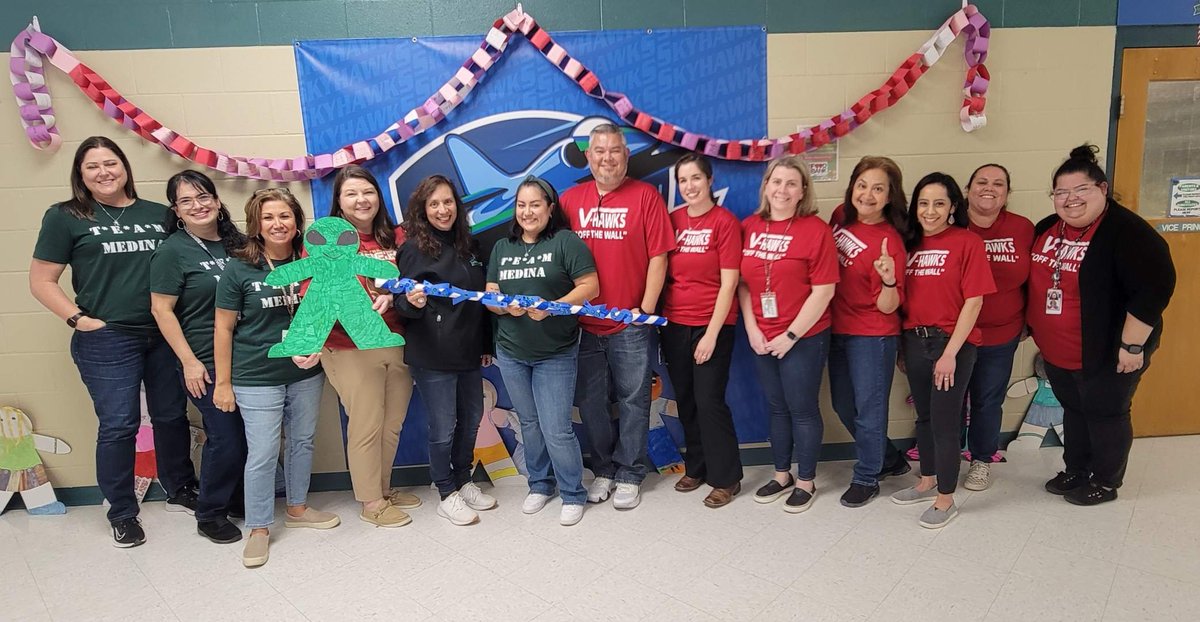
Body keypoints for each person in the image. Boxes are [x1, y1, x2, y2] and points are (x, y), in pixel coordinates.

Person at [29, 136, 198, 548]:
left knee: (172, 415)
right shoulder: (66, 216)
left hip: (163, 333)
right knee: (120, 424)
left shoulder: (160, 215)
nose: (104, 172)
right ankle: (122, 511)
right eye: (93, 166)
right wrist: (79, 319)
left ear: (125, 167)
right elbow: (41, 280)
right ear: (81, 174)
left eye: (111, 163)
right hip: (109, 338)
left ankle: (181, 489)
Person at [1029, 145, 1174, 506]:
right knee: (1075, 410)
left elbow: (1154, 288)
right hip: (1060, 349)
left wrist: (1133, 345)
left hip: (1110, 348)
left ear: (1103, 189)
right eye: (1061, 192)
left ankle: (1106, 481)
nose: (1070, 199)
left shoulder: (1126, 231)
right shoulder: (1047, 228)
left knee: (1106, 413)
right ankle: (1077, 469)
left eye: (1081, 190)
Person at [214, 188, 338, 568]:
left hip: (305, 372)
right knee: (264, 452)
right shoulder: (239, 267)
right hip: (256, 375)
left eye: (284, 216)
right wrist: (222, 382)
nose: (277, 224)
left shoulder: (312, 261)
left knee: (302, 441)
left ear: (297, 221)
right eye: (268, 217)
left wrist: (316, 344)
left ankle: (298, 508)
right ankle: (259, 527)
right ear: (256, 224)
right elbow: (223, 329)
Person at [561, 122, 676, 510]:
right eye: (600, 151)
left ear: (626, 156)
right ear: (588, 156)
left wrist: (644, 310)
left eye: (615, 151)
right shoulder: (570, 200)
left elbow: (659, 256)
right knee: (591, 403)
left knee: (633, 399)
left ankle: (630, 473)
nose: (607, 158)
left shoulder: (645, 197)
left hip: (630, 323)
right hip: (583, 324)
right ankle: (605, 470)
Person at [487, 176, 599, 526]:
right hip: (511, 351)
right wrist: (504, 306)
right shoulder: (502, 247)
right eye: (521, 204)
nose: (527, 211)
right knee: (530, 424)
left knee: (556, 427)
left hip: (556, 351)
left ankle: (572, 491)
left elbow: (590, 286)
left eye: (535, 204)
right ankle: (539, 484)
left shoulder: (566, 242)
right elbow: (490, 294)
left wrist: (555, 306)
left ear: (550, 208)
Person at [315, 165, 419, 529]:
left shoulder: (397, 237)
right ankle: (370, 502)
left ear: (379, 197)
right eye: (351, 194)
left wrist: (398, 296)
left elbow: (413, 281)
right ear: (339, 203)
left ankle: (383, 489)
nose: (361, 200)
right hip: (349, 347)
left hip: (396, 340)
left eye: (368, 192)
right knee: (366, 425)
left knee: (392, 425)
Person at [149, 170, 248, 544]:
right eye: (186, 201)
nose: (198, 205)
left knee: (246, 435)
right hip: (203, 360)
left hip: (246, 357)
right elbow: (162, 310)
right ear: (176, 210)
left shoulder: (238, 244)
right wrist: (189, 362)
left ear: (218, 202)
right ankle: (209, 513)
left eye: (204, 196)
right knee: (226, 437)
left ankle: (237, 498)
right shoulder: (173, 250)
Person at [892, 173, 995, 529]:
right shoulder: (909, 244)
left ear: (953, 207)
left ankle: (945, 498)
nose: (930, 211)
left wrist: (951, 352)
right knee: (923, 417)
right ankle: (927, 480)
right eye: (923, 203)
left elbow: (974, 301)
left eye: (939, 203)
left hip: (951, 344)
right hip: (914, 340)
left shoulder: (967, 243)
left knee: (945, 423)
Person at [739, 156, 839, 513]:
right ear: (766, 186)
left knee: (802, 409)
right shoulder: (749, 226)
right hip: (762, 336)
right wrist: (752, 328)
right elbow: (745, 285)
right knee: (777, 408)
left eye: (791, 184)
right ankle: (781, 474)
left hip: (804, 338)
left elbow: (824, 290)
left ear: (802, 192)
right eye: (776, 182)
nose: (782, 189)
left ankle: (806, 481)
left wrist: (792, 335)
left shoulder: (816, 230)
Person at [395, 175, 495, 526]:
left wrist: (485, 345)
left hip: (468, 351)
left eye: (448, 202)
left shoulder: (470, 245)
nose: (442, 210)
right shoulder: (412, 249)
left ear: (458, 205)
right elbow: (401, 305)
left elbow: (480, 302)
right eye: (434, 204)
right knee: (443, 427)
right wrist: (412, 302)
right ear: (423, 210)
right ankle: (445, 491)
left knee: (470, 421)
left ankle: (464, 480)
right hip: (432, 354)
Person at [659, 154, 744, 508]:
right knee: (688, 400)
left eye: (696, 178)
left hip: (713, 326)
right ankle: (697, 466)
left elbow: (729, 285)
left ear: (709, 180)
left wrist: (710, 334)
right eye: (683, 181)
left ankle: (727, 478)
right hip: (675, 323)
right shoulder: (673, 220)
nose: (690, 187)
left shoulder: (725, 223)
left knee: (710, 401)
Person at [827, 156, 912, 508]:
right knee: (843, 404)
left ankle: (867, 476)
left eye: (879, 188)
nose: (868, 194)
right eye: (863, 185)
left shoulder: (890, 241)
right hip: (837, 328)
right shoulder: (839, 216)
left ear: (890, 196)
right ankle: (890, 459)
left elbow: (889, 306)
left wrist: (889, 277)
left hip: (873, 335)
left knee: (869, 409)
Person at [962, 164, 1034, 491]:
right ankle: (943, 459)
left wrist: (1030, 323)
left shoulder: (1022, 228)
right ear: (968, 189)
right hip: (954, 335)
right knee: (945, 400)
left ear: (1007, 193)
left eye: (998, 183)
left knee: (988, 401)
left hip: (1002, 333)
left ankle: (981, 459)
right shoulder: (950, 224)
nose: (989, 188)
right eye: (981, 182)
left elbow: (1036, 279)